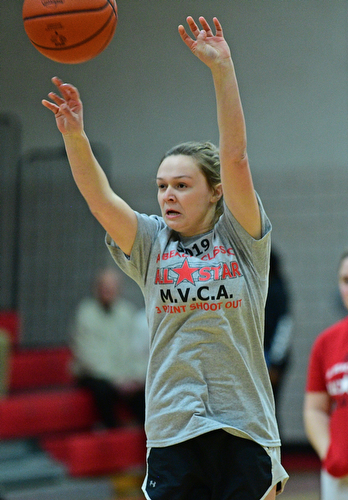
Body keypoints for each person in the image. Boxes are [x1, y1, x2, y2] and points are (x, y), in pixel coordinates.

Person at [42, 15, 288, 500]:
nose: (167, 196)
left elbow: (235, 157)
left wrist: (222, 69)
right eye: (161, 187)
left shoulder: (241, 239)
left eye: (181, 185)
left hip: (244, 428)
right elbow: (100, 200)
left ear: (215, 191)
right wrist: (74, 136)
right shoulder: (153, 243)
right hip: (174, 430)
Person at [70, 267, 148, 428]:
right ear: (97, 288)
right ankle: (111, 432)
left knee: (146, 394)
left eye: (111, 287)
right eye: (104, 286)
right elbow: (89, 356)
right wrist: (117, 380)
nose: (108, 291)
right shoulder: (86, 313)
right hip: (95, 374)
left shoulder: (127, 312)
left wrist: (137, 377)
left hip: (124, 376)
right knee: (102, 390)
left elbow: (136, 350)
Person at [304, 249, 348, 500]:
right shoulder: (326, 343)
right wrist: (330, 452)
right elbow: (315, 409)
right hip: (340, 478)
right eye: (345, 280)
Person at [264, 250, 293, 430]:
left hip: (273, 357)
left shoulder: (277, 289)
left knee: (271, 408)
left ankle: (276, 452)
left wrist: (276, 363)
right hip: (262, 354)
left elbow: (285, 326)